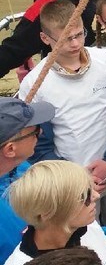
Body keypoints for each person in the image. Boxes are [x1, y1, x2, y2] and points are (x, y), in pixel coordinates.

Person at [18, 0, 106, 229]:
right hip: (70, 183)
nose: (75, 44)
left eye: (79, 35)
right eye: (65, 39)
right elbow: (39, 144)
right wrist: (76, 177)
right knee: (83, 237)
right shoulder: (35, 83)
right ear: (45, 38)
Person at [4, 161, 106, 265]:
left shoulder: (86, 226)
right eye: (84, 196)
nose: (96, 196)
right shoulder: (21, 262)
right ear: (48, 212)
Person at [1, 97, 56, 260]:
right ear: (10, 149)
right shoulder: (6, 219)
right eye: (35, 131)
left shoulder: (21, 167)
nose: (41, 132)